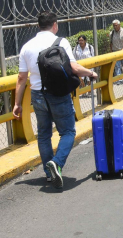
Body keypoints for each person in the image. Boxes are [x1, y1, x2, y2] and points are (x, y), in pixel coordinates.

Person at [13, 11, 97, 189]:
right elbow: (73, 67)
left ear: (38, 26)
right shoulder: (61, 42)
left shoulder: (27, 46)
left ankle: (49, 173)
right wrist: (90, 72)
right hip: (58, 94)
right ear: (55, 25)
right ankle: (56, 163)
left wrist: (17, 103)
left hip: (37, 95)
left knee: (44, 134)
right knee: (67, 132)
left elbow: (21, 78)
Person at [110, 20, 123, 84]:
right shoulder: (112, 33)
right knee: (117, 66)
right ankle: (119, 79)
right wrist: (111, 51)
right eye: (114, 25)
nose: (115, 27)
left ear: (119, 25)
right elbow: (111, 43)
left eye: (116, 25)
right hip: (116, 52)